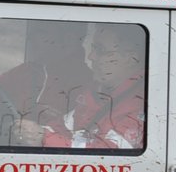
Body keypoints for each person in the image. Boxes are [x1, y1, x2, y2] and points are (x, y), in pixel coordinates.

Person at [15, 24, 146, 151]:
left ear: (131, 59)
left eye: (100, 50)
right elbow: (62, 127)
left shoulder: (142, 106)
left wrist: (44, 138)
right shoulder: (98, 92)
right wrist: (32, 131)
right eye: (93, 48)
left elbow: (108, 156)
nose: (91, 56)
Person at [0, 20, 89, 145]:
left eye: (41, 32)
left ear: (68, 39)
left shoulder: (85, 80)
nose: (31, 38)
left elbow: (76, 133)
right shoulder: (28, 71)